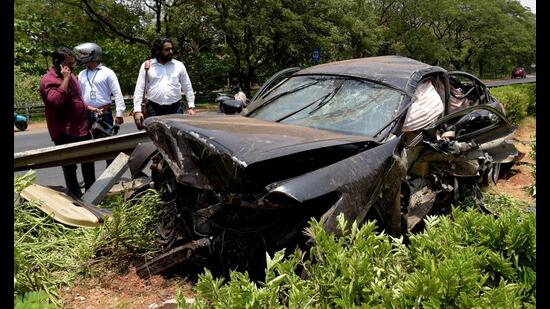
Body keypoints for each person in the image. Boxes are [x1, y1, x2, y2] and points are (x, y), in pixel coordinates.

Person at [39, 47, 101, 197]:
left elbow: (75, 99)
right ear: (58, 63)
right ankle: (75, 199)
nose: (72, 67)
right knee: (69, 166)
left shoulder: (71, 75)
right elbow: (55, 102)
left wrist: (88, 107)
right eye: (69, 64)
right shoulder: (49, 80)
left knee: (88, 161)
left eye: (73, 64)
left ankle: (92, 195)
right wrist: (65, 79)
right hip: (64, 131)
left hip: (81, 128)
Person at [74, 42, 126, 166]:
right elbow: (79, 95)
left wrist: (120, 113)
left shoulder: (107, 72)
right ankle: (89, 180)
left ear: (93, 54)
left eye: (84, 54)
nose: (81, 56)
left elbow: (117, 93)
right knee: (87, 148)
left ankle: (112, 176)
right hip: (87, 114)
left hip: (104, 113)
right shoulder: (81, 74)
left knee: (108, 146)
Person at [133, 37, 196, 130]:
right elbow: (139, 89)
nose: (171, 52)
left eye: (171, 49)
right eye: (167, 50)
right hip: (154, 108)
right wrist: (137, 110)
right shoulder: (147, 66)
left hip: (175, 108)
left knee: (178, 135)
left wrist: (191, 107)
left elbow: (187, 87)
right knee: (159, 138)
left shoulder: (179, 65)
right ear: (158, 51)